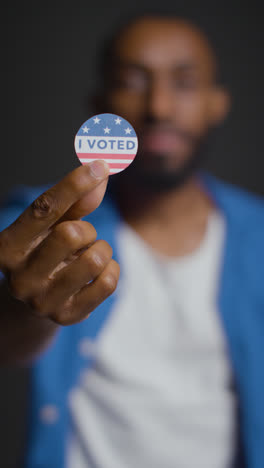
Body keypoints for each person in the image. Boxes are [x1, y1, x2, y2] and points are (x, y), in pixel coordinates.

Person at [0, 13, 263, 468]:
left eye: (183, 82)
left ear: (216, 103)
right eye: (132, 81)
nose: (158, 107)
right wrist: (25, 310)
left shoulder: (258, 236)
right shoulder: (35, 227)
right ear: (100, 102)